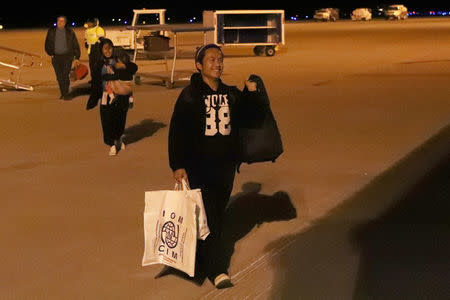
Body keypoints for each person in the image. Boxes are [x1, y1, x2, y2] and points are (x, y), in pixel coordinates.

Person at [168, 44, 265, 289]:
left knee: (215, 215)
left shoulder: (231, 94)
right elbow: (177, 132)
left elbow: (252, 119)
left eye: (220, 59)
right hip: (199, 167)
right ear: (199, 65)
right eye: (211, 59)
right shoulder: (190, 95)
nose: (217, 63)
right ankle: (217, 269)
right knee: (211, 217)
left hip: (225, 167)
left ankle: (200, 259)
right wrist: (177, 165)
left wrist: (252, 92)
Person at [86, 39, 137, 156]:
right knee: (107, 120)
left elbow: (133, 69)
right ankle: (111, 144)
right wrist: (93, 99)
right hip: (106, 96)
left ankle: (119, 138)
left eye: (110, 48)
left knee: (120, 119)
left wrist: (123, 67)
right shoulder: (99, 64)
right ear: (101, 50)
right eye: (105, 48)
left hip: (121, 95)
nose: (108, 51)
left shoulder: (119, 59)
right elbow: (96, 82)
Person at [44, 15, 81, 99]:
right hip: (56, 58)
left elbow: (75, 44)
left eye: (62, 21)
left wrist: (77, 57)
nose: (59, 22)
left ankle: (66, 94)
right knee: (59, 77)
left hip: (67, 57)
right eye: (58, 21)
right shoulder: (51, 31)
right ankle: (63, 93)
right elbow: (47, 44)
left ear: (65, 23)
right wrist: (51, 53)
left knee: (65, 75)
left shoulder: (70, 32)